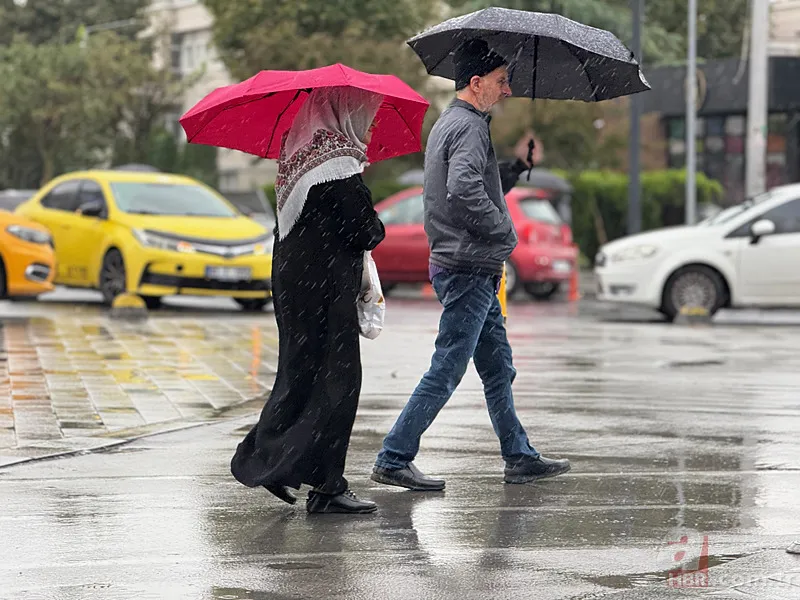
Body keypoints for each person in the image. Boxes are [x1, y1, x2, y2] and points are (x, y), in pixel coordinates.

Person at [371, 39, 571, 491]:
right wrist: (504, 234)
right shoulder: (467, 127)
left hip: (468, 265)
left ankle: (518, 456)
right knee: (448, 366)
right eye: (502, 81)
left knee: (497, 366)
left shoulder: (457, 124)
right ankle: (394, 456)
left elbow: (473, 180)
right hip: (468, 267)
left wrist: (516, 167)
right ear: (476, 83)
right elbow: (462, 190)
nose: (508, 90)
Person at [231, 86, 386, 514]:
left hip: (295, 286)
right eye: (366, 114)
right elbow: (364, 230)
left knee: (300, 376)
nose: (370, 123)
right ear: (344, 112)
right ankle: (325, 486)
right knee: (337, 382)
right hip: (324, 290)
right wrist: (373, 215)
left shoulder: (298, 157)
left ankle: (268, 463)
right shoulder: (337, 163)